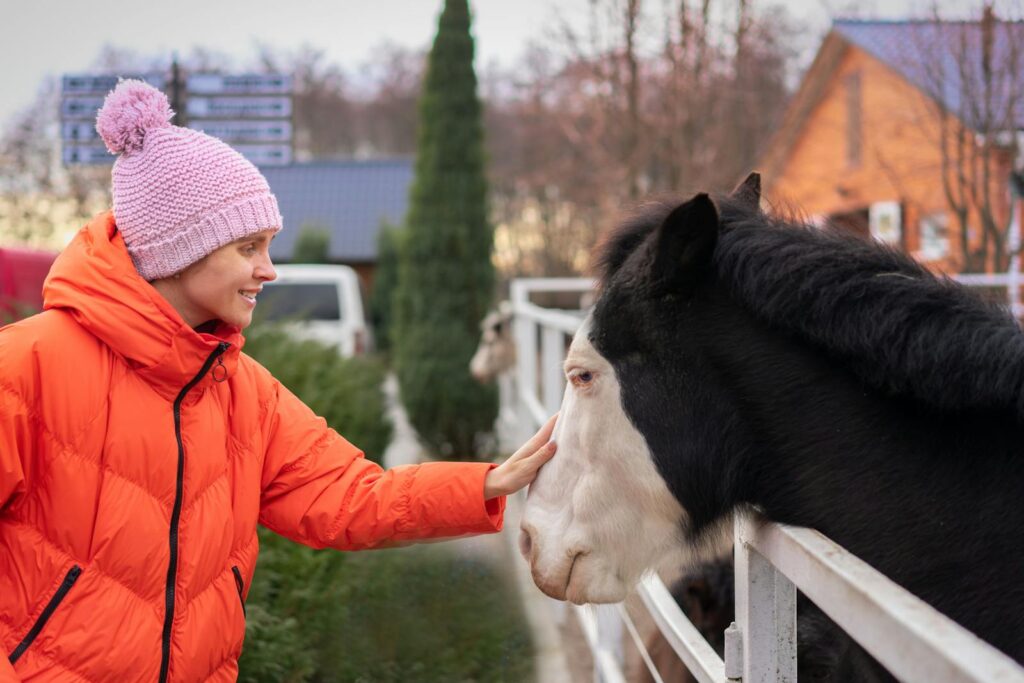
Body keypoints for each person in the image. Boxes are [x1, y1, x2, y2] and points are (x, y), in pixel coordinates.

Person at [0, 79, 557, 682]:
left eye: (267, 246)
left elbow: (352, 498)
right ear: (180, 250)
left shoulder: (243, 391)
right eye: (248, 247)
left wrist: (488, 483)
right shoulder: (24, 368)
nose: (267, 270)